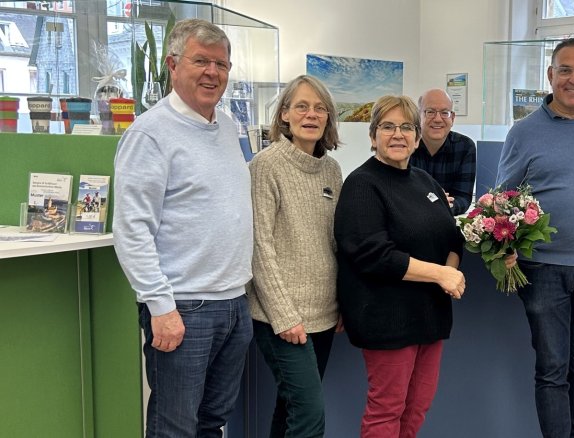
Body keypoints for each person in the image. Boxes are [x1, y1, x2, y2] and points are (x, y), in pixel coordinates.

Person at [112, 19, 253, 438]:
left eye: (221, 64)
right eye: (201, 61)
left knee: (213, 423)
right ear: (173, 65)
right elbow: (131, 228)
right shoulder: (150, 134)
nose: (213, 72)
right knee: (174, 427)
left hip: (233, 302)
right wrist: (160, 306)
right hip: (184, 307)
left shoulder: (226, 126)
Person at [496, 37, 574, 438]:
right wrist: (505, 248)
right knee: (552, 371)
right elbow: (502, 199)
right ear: (550, 75)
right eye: (565, 70)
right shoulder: (524, 132)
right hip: (544, 269)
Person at [334, 95, 465, 438]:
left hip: (430, 315)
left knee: (417, 406)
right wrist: (440, 274)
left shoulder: (425, 181)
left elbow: (452, 237)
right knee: (387, 410)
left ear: (417, 138)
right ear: (372, 135)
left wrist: (450, 274)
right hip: (386, 317)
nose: (397, 134)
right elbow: (372, 253)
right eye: (387, 126)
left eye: (406, 127)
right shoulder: (362, 184)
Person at [247, 75, 342, 438]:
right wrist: (285, 316)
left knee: (290, 407)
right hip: (280, 317)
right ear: (284, 113)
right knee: (309, 412)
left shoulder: (331, 169)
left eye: (320, 108)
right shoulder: (265, 165)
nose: (311, 114)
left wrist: (341, 304)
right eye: (301, 106)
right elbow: (260, 248)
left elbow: (334, 243)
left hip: (323, 315)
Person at [409, 88, 476, 215]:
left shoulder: (465, 147)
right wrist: (432, 203)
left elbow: (463, 198)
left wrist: (442, 206)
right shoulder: (406, 145)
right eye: (430, 112)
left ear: (453, 118)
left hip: (447, 219)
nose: (438, 119)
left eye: (445, 113)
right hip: (409, 221)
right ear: (418, 116)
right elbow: (396, 195)